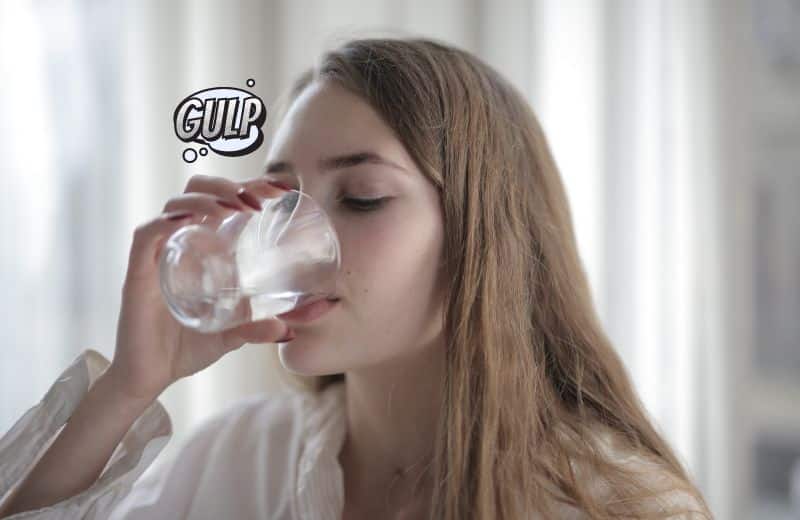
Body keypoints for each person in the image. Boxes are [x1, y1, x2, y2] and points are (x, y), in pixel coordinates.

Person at [0, 37, 713, 519]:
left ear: (480, 237)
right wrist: (126, 388)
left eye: (362, 197)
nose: (290, 242)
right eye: (280, 201)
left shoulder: (612, 505)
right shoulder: (239, 459)